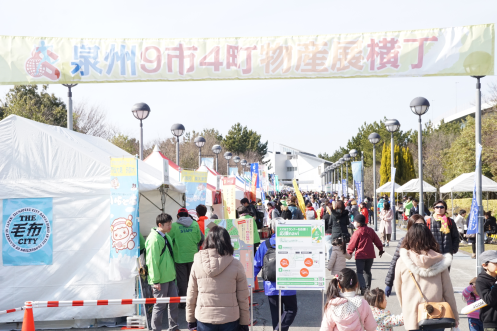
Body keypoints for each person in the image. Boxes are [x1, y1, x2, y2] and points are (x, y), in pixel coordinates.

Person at [395, 223, 459, 331]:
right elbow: (448, 292)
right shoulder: (440, 261)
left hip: (412, 314)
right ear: (430, 238)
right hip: (436, 314)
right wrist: (455, 316)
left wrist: (405, 308)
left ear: (409, 238)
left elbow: (398, 289)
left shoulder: (403, 261)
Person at [186, 226, 249, 331]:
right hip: (230, 318)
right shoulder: (236, 264)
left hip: (204, 318)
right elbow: (243, 297)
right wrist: (244, 322)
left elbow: (191, 294)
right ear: (227, 241)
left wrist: (190, 319)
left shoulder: (197, 263)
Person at [254, 217, 298, 331]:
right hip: (288, 284)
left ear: (272, 230)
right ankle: (279, 329)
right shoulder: (292, 243)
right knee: (291, 309)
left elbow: (256, 264)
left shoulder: (265, 245)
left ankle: (277, 329)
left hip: (270, 285)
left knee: (276, 313)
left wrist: (249, 281)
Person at [145, 213, 178, 331]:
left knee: (174, 303)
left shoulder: (165, 236)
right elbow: (152, 261)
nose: (170, 226)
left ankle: (173, 327)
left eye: (170, 223)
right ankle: (156, 329)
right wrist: (155, 280)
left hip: (169, 277)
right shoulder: (154, 239)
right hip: (160, 279)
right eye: (168, 224)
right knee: (159, 306)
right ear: (160, 225)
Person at [384, 214, 427, 297]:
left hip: (426, 282)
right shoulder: (404, 241)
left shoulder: (430, 241)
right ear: (410, 227)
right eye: (416, 225)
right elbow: (394, 262)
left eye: (422, 225)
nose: (419, 228)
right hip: (408, 281)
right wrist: (389, 283)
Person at [169, 208, 202, 309]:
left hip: (179, 257)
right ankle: (195, 300)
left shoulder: (174, 226)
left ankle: (184, 302)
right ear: (188, 215)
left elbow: (170, 240)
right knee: (195, 279)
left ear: (178, 216)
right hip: (193, 257)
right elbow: (199, 239)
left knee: (182, 280)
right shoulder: (195, 224)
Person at [347, 215, 384, 295]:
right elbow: (377, 241)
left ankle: (363, 288)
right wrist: (380, 249)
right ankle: (367, 288)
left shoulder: (357, 232)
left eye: (355, 221)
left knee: (359, 272)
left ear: (359, 223)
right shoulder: (370, 230)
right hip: (370, 255)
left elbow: (352, 244)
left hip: (360, 255)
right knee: (367, 272)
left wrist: (349, 252)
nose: (354, 223)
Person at [475, 250, 497, 331]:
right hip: (492, 322)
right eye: (495, 263)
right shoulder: (481, 281)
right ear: (485, 265)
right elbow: (489, 300)